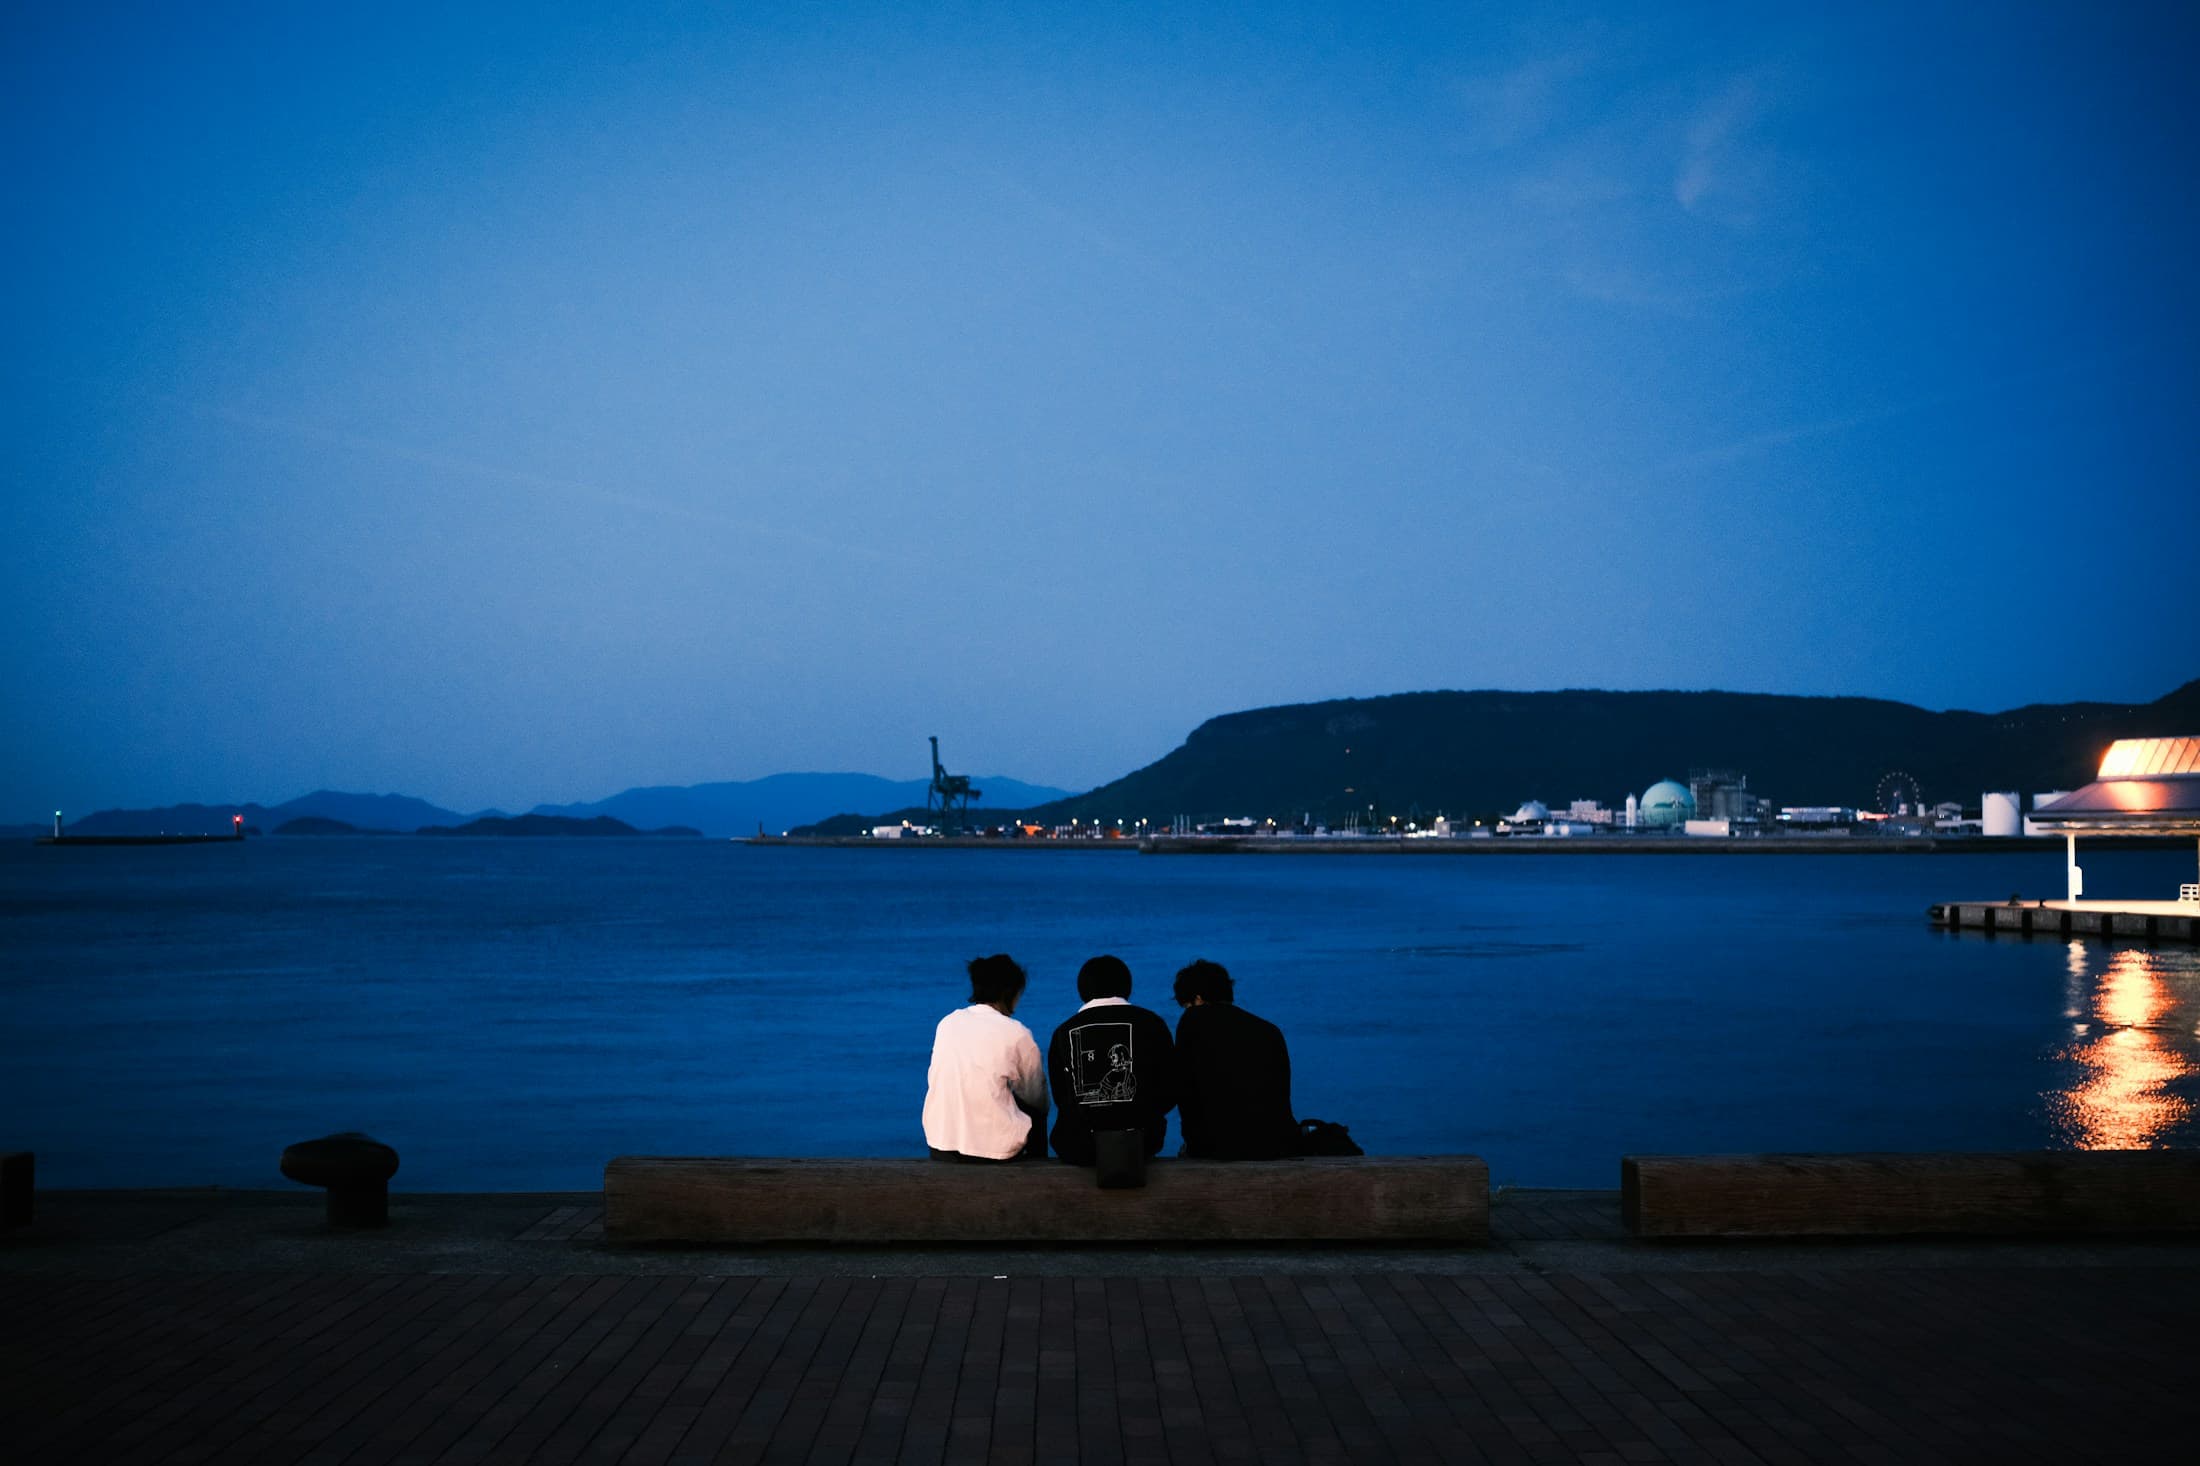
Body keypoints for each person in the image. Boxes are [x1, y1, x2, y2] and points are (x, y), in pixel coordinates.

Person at [1047, 955, 1178, 1166]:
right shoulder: (1153, 1023)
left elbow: (1061, 1096)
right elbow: (1170, 1089)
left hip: (1081, 1145)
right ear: (1127, 987)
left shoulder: (1063, 1031)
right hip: (1143, 1142)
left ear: (1082, 990)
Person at [923, 954, 1047, 1162]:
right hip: (993, 1150)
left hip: (941, 1141)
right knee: (1035, 1107)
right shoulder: (1016, 1033)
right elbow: (1036, 1096)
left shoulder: (948, 1023)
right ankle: (1039, 1169)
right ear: (1010, 993)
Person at [1171, 958, 1297, 1160]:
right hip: (1276, 1142)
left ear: (1198, 998)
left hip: (1219, 1145)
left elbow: (1186, 1089)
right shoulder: (1268, 1030)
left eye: (1187, 1005)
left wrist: (1193, 1142)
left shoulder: (1193, 1020)